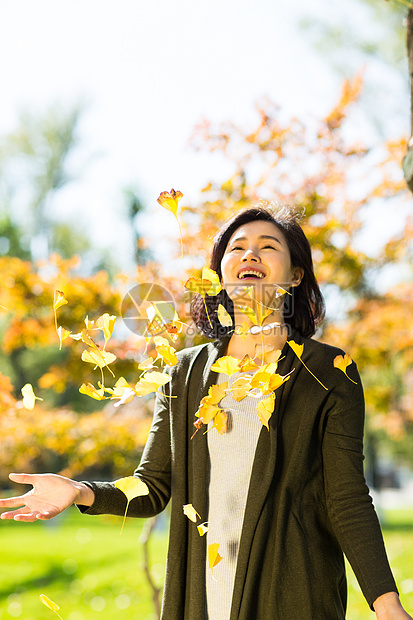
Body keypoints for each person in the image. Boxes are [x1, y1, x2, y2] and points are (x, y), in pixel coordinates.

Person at [0, 205, 411, 620]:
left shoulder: (329, 373)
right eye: (237, 248)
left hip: (293, 597)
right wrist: (80, 491)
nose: (249, 255)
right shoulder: (184, 372)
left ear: (295, 275)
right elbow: (153, 486)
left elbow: (347, 499)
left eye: (267, 247)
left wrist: (386, 604)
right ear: (220, 273)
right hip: (201, 601)